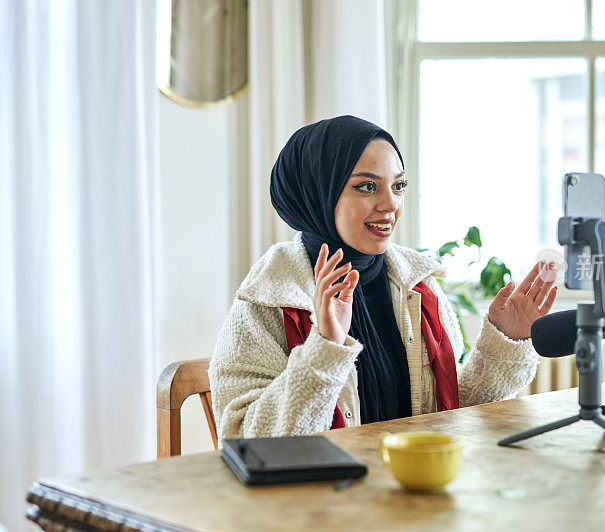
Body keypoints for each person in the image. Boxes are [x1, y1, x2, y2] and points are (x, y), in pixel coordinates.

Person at [209, 115, 558, 438]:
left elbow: (450, 414)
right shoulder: (269, 300)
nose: (390, 204)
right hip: (318, 502)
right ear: (316, 192)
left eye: (399, 186)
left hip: (412, 490)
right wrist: (324, 347)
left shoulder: (420, 288)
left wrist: (503, 343)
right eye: (366, 187)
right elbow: (243, 439)